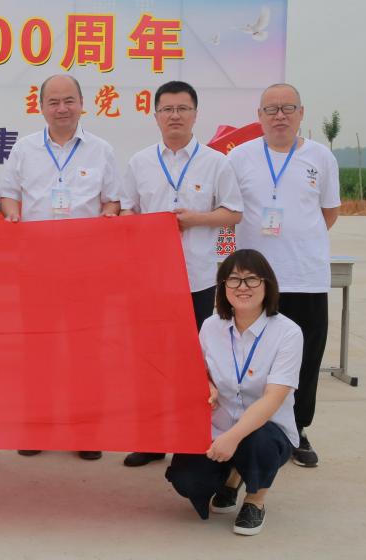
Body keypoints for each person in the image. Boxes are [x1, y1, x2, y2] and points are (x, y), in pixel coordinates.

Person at [120, 80, 243, 467]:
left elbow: (233, 212)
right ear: (155, 115)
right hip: (152, 283)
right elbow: (127, 212)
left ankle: (193, 437)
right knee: (152, 361)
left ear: (195, 114)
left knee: (199, 362)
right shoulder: (139, 162)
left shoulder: (216, 162)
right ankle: (153, 440)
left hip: (199, 279)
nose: (175, 116)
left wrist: (195, 220)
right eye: (167, 109)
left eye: (182, 109)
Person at [0, 73, 120, 460]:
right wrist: (13, 216)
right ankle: (37, 427)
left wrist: (109, 216)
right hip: (36, 268)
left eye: (69, 101)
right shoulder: (24, 149)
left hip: (87, 269)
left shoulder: (101, 150)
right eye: (53, 102)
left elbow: (113, 200)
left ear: (82, 104)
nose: (62, 108)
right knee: (38, 349)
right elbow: (8, 195)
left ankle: (85, 432)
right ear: (41, 107)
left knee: (87, 350)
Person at [228, 83, 340, 467]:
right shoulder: (239, 157)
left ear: (301, 113)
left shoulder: (320, 157)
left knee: (305, 359)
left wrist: (299, 238)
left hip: (305, 276)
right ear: (259, 116)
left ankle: (298, 428)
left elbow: (328, 212)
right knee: (253, 358)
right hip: (254, 282)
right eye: (271, 109)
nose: (280, 115)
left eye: (288, 108)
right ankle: (251, 427)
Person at [165, 249, 301, 536]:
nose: (242, 287)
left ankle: (255, 500)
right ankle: (232, 478)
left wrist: (231, 438)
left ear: (267, 285)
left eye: (251, 279)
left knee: (258, 444)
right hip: (220, 425)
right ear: (223, 286)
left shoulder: (288, 333)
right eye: (234, 280)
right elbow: (198, 372)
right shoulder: (211, 326)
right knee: (187, 479)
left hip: (266, 430)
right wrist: (208, 385)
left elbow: (274, 397)